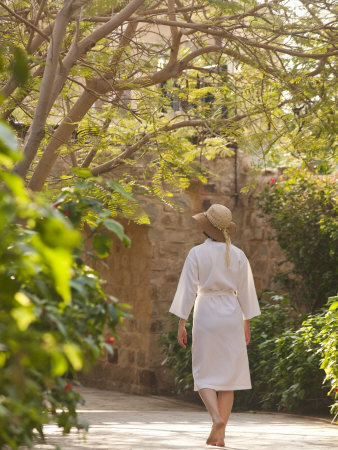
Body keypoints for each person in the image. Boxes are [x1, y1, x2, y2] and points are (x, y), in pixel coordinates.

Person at [169, 204, 261, 447]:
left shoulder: (196, 253)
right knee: (228, 378)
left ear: (206, 228)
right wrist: (246, 323)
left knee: (203, 372)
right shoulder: (239, 254)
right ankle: (220, 437)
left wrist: (181, 322)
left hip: (206, 312)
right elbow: (246, 292)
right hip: (231, 313)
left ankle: (216, 419)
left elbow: (187, 290)